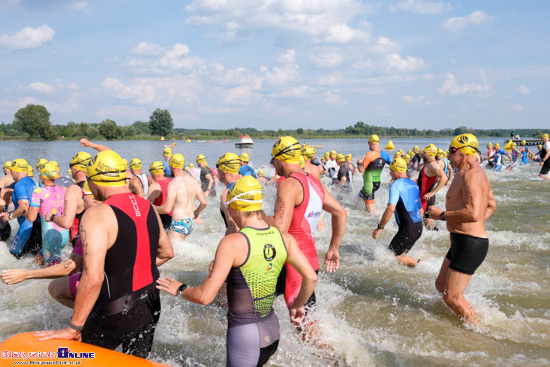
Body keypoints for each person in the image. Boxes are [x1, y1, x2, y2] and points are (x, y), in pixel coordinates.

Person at [156, 176, 317, 367]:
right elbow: (311, 277)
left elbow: (205, 297)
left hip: (245, 338)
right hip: (272, 331)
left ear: (236, 207)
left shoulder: (232, 243)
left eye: (227, 208)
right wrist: (299, 305)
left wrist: (180, 288)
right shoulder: (284, 238)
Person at [35, 150, 174, 358]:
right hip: (150, 304)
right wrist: (133, 268)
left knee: (73, 359)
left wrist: (73, 327)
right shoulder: (148, 207)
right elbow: (167, 252)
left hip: (117, 310)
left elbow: (93, 278)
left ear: (94, 180)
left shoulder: (97, 214)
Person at [266, 136, 346, 339]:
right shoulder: (314, 182)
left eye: (273, 159)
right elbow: (340, 213)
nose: (272, 165)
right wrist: (333, 248)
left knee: (306, 331)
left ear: (281, 158)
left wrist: (254, 215)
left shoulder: (289, 184)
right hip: (309, 259)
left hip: (291, 263)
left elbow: (279, 226)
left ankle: (334, 361)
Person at [428, 133, 496, 324]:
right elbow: (491, 205)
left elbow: (474, 213)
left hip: (470, 243)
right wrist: (462, 226)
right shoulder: (464, 173)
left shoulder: (472, 176)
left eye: (452, 151)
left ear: (464, 153)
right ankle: (454, 323)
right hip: (461, 239)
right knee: (441, 285)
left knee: (452, 297)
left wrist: (442, 216)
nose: (448, 155)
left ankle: (478, 332)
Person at [372, 158, 423, 267]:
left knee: (390, 256)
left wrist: (380, 227)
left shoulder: (396, 185)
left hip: (408, 229)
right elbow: (420, 209)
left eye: (391, 170)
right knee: (401, 255)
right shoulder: (413, 184)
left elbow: (391, 208)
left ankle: (424, 266)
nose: (390, 173)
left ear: (396, 170)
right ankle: (419, 265)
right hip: (418, 227)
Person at [154, 153, 207, 242]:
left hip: (178, 223)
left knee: (172, 254)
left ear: (173, 167)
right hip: (190, 223)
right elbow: (204, 202)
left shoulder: (174, 183)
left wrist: (152, 208)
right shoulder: (193, 181)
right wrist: (196, 212)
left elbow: (167, 209)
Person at [26, 161, 69, 266]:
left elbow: (31, 218)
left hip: (50, 236)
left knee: (51, 271)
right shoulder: (65, 190)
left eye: (40, 175)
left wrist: (23, 212)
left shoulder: (38, 192)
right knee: (38, 261)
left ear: (43, 178)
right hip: (64, 235)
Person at [0, 159, 41, 258]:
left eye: (12, 171)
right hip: (38, 225)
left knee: (13, 257)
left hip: (27, 229)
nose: (11, 174)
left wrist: (9, 216)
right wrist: (9, 212)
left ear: (16, 171)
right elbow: (28, 206)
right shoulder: (32, 182)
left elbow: (23, 207)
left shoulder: (20, 185)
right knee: (32, 260)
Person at [357, 134, 392, 213]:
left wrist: (359, 163)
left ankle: (374, 222)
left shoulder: (370, 155)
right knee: (359, 197)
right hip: (377, 184)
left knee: (370, 212)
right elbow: (394, 165)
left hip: (369, 184)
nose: (368, 145)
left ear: (371, 143)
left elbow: (361, 170)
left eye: (368, 143)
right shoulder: (385, 155)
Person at [417, 144, 447, 230]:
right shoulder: (431, 164)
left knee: (424, 222)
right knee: (427, 222)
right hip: (425, 196)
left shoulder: (433, 164)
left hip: (425, 198)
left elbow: (444, 177)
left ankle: (436, 234)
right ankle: (435, 235)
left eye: (424, 152)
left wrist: (432, 192)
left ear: (430, 153)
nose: (422, 155)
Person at [216, 153, 242, 234]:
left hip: (242, 241)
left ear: (223, 170)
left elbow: (233, 226)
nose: (216, 170)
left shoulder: (227, 193)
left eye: (217, 166)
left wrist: (226, 244)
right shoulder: (247, 183)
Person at [147, 161, 172, 230]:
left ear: (152, 173)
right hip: (176, 218)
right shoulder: (172, 182)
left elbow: (148, 206)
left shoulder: (154, 186)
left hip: (162, 218)